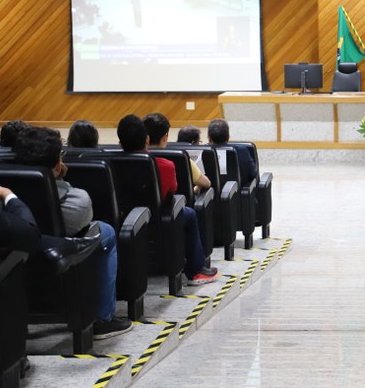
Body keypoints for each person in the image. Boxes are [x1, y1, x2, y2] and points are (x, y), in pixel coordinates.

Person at [12, 126, 132, 340]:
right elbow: (79, 223)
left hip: (11, 255)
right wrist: (60, 182)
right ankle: (103, 319)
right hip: (53, 253)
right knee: (105, 231)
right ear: (57, 164)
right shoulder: (77, 200)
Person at [117, 114, 217, 286]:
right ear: (146, 139)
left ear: (119, 143)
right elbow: (171, 193)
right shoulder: (165, 164)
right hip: (157, 221)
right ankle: (196, 271)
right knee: (190, 214)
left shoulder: (110, 163)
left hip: (121, 220)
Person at [144, 113, 210, 194]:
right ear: (165, 138)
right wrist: (198, 187)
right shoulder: (181, 158)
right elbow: (207, 183)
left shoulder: (133, 159)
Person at [207, 118, 257, 183]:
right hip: (238, 192)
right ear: (228, 137)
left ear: (209, 138)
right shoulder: (242, 150)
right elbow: (253, 174)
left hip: (210, 192)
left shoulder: (202, 152)